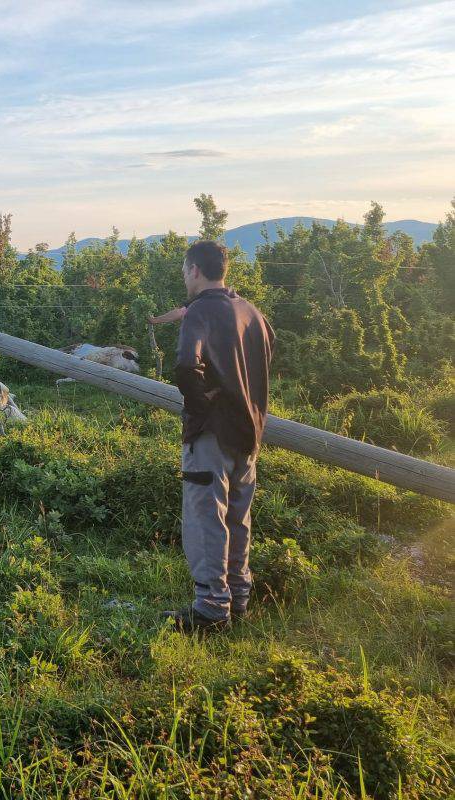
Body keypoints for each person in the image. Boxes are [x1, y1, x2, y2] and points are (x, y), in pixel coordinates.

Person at [150, 241, 274, 633]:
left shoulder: (200, 312)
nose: (185, 278)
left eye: (185, 271)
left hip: (211, 433)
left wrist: (202, 405)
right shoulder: (251, 312)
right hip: (249, 431)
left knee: (207, 516)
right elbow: (267, 355)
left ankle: (209, 609)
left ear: (194, 271)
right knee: (238, 517)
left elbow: (187, 363)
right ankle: (238, 599)